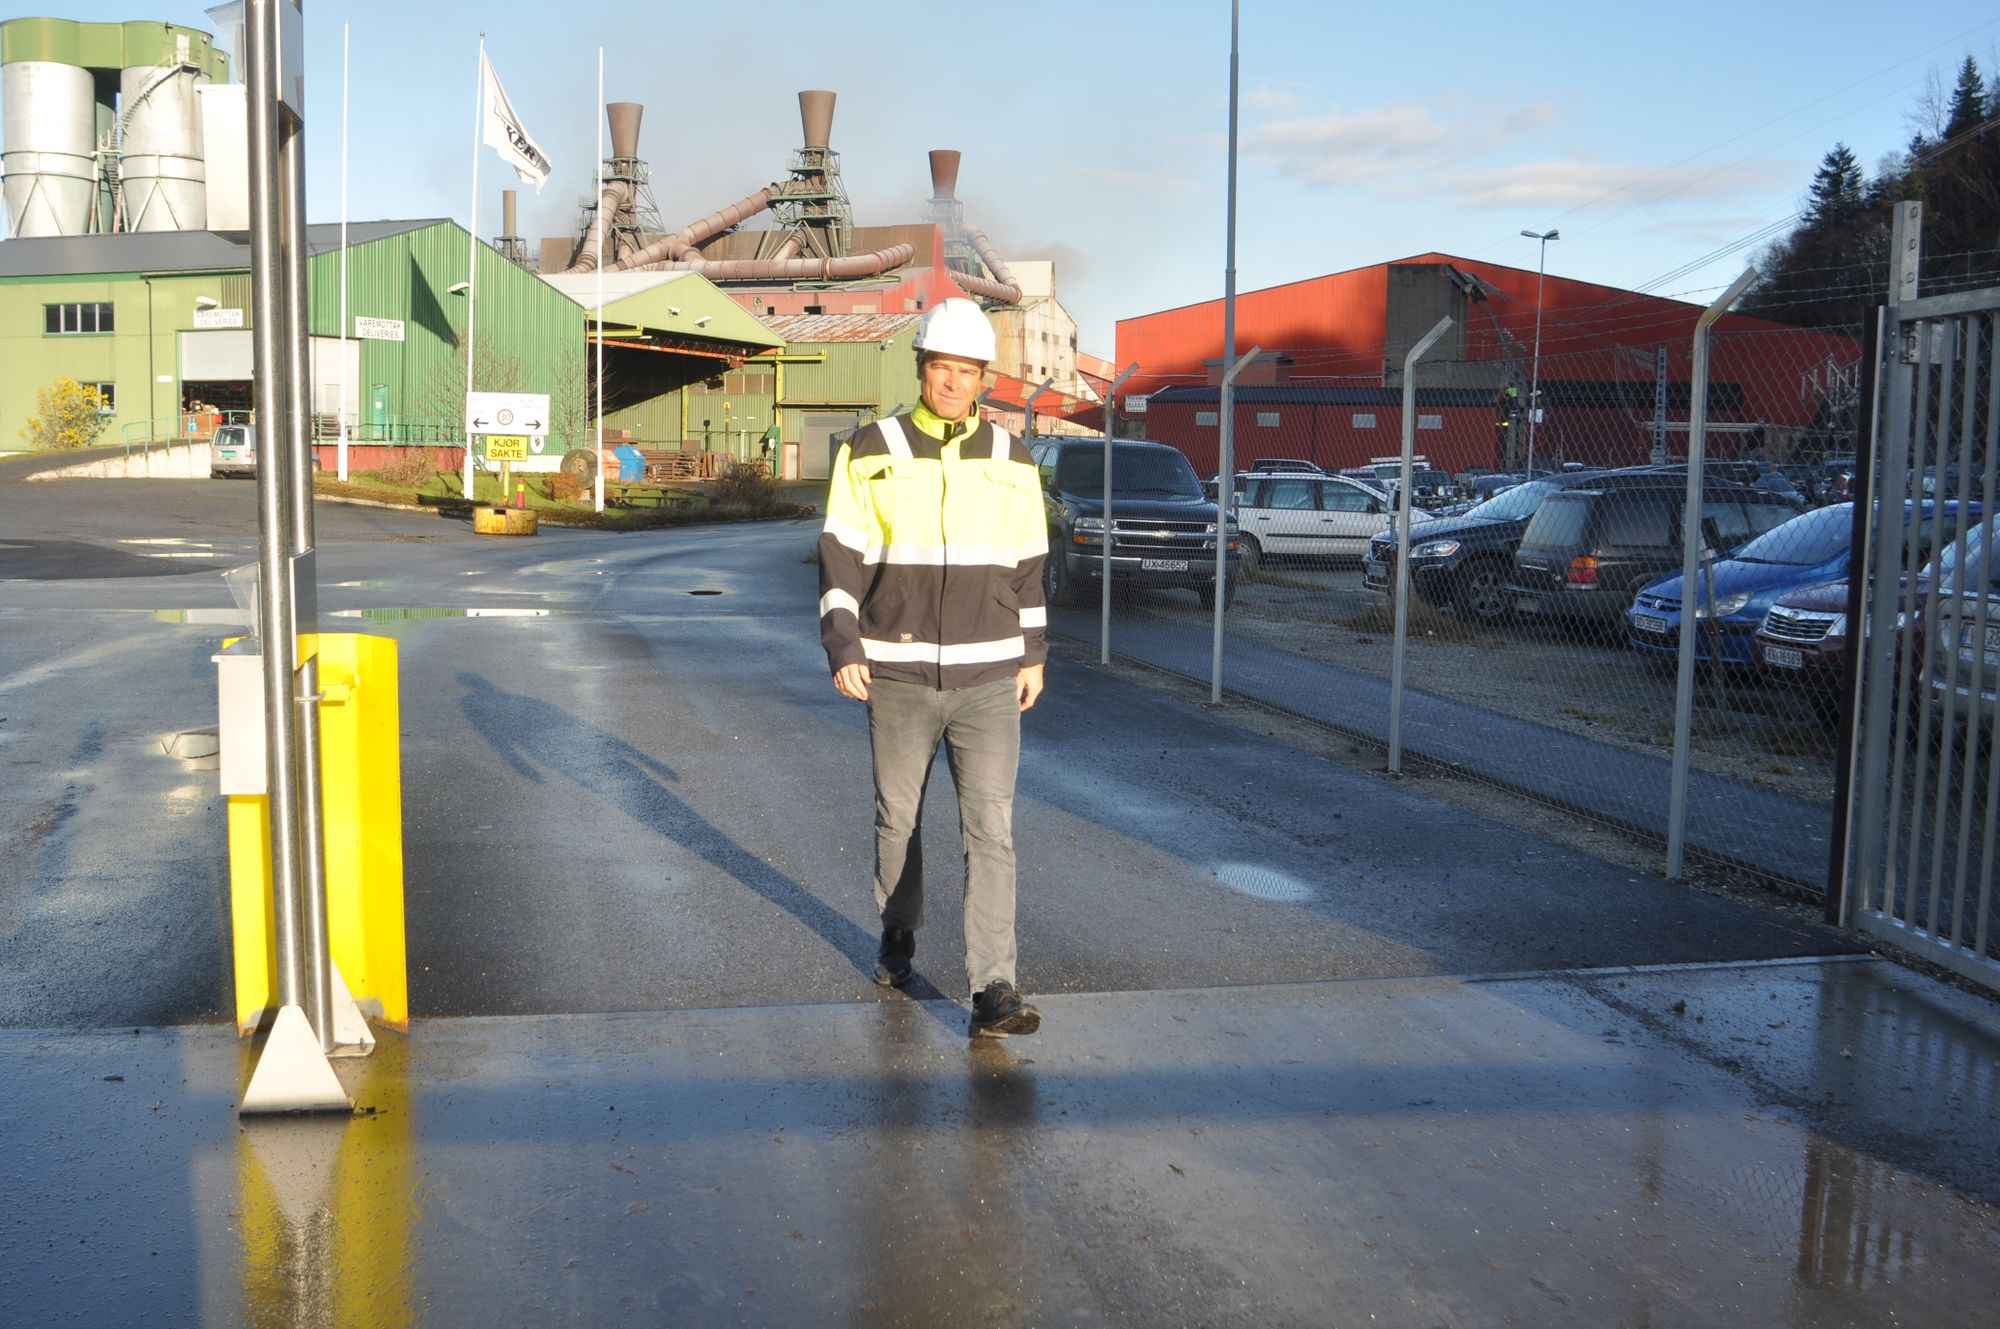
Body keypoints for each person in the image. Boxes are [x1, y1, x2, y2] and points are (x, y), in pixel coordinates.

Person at [816, 298, 1048, 1038]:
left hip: (987, 675)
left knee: (992, 828)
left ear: (983, 378)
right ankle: (898, 930)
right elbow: (840, 554)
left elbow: (1029, 566)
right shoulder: (871, 446)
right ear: (922, 369)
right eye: (942, 367)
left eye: (968, 370)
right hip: (898, 673)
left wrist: (1034, 653)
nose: (954, 381)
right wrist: (844, 644)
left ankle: (994, 987)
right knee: (898, 821)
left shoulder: (1013, 458)